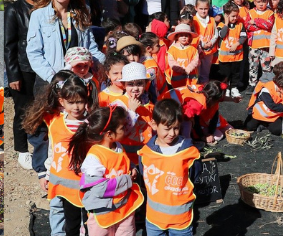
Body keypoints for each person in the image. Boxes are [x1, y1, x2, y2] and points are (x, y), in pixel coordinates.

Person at [24, 73, 92, 236]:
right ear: (62, 101)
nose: (76, 107)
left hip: (80, 183)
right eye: (71, 102)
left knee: (79, 221)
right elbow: (51, 150)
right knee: (57, 213)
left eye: (80, 102)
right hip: (56, 179)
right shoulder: (54, 120)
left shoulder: (91, 124)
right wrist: (44, 173)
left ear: (86, 100)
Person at [67, 105, 143, 236]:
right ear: (109, 134)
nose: (126, 129)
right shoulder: (94, 157)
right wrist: (127, 180)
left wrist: (132, 168)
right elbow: (99, 189)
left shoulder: (117, 146)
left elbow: (122, 162)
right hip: (103, 214)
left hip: (124, 209)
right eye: (122, 127)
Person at [27, 0, 106, 92]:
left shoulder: (82, 16)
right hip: (49, 82)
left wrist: (107, 64)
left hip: (78, 81)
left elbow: (91, 49)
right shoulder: (38, 15)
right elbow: (34, 53)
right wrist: (54, 78)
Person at [138, 99, 201, 236]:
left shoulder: (189, 153)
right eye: (167, 128)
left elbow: (194, 175)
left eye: (176, 128)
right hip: (154, 220)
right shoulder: (146, 153)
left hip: (181, 221)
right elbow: (144, 176)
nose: (172, 133)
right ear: (154, 125)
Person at [6, 0, 43, 169]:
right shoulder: (14, 10)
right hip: (23, 68)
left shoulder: (48, 7)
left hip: (42, 69)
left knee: (42, 107)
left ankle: (42, 145)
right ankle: (22, 150)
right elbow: (9, 45)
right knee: (22, 109)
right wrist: (13, 73)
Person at [245, 70, 283, 135]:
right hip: (259, 115)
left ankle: (264, 126)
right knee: (249, 126)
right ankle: (262, 124)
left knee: (277, 130)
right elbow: (272, 105)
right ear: (281, 86)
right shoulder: (266, 90)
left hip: (274, 116)